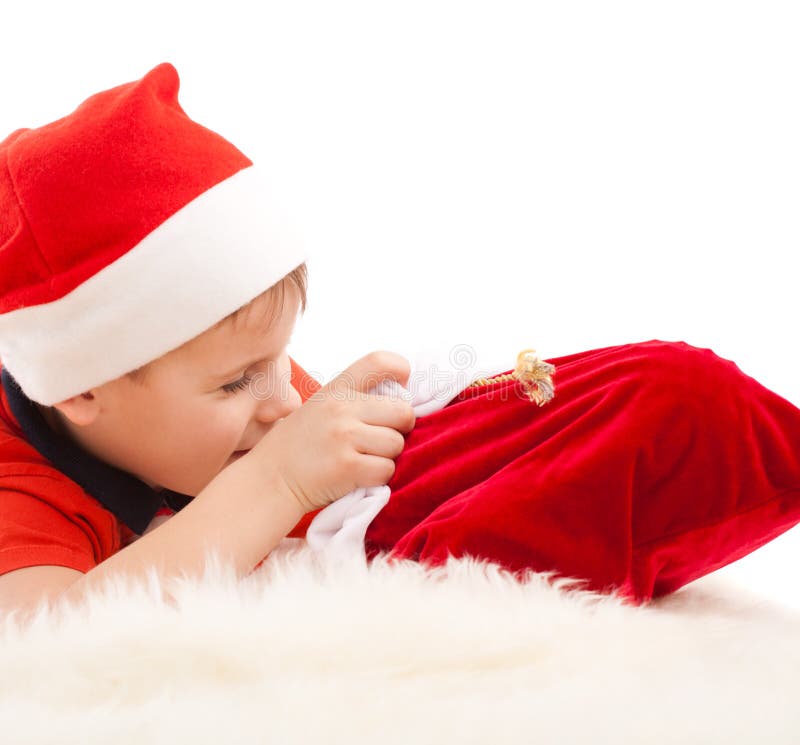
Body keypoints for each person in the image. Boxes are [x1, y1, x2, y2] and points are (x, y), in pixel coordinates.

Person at [2, 63, 799, 625]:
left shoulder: (206, 389)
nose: (284, 399)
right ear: (80, 388)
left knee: (653, 402)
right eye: (236, 382)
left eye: (280, 358)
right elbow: (42, 638)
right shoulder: (20, 483)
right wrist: (276, 482)